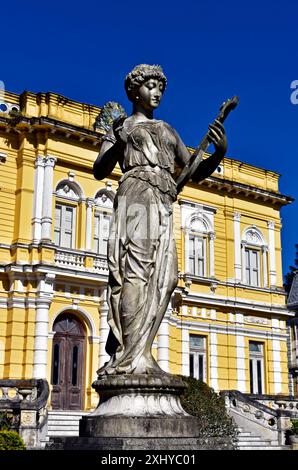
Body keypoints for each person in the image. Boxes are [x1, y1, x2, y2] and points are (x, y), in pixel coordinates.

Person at [93, 64, 226, 376]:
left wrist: (219, 153)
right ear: (134, 90)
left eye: (161, 89)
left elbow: (192, 168)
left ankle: (144, 353)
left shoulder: (167, 130)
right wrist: (113, 138)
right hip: (136, 196)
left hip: (164, 201)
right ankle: (128, 355)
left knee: (165, 278)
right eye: (151, 86)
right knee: (135, 272)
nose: (156, 93)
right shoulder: (121, 126)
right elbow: (99, 168)